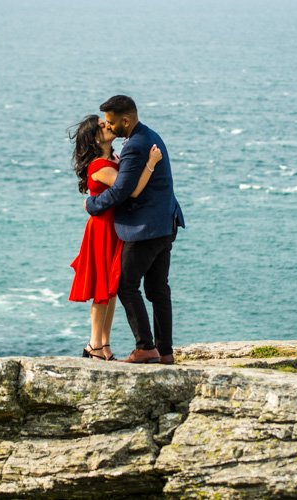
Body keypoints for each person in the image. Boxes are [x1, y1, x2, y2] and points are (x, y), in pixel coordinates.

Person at [85, 95, 185, 364]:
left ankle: (145, 347)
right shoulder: (148, 136)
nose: (109, 126)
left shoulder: (134, 146)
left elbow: (121, 191)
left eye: (111, 122)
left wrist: (92, 204)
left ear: (125, 120)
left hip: (145, 229)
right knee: (158, 289)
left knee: (125, 285)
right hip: (165, 224)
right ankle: (165, 352)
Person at [68, 114, 162, 361]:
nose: (106, 125)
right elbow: (130, 191)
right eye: (101, 126)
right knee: (102, 290)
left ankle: (103, 344)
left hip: (114, 228)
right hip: (103, 230)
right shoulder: (99, 166)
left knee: (110, 289)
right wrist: (150, 164)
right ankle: (95, 344)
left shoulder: (113, 158)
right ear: (94, 139)